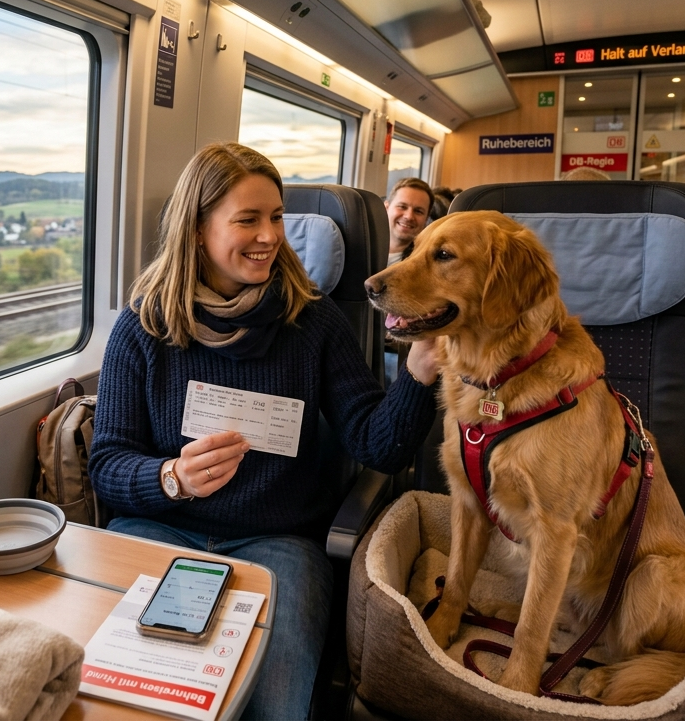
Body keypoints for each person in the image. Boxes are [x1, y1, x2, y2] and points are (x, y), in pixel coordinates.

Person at [89, 142, 439, 719]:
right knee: (138, 698)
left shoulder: (312, 321)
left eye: (275, 217)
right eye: (247, 219)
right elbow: (107, 466)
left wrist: (418, 377)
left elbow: (380, 445)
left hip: (279, 543)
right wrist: (172, 477)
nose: (270, 236)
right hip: (161, 529)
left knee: (273, 708)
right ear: (197, 230)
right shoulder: (144, 327)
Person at [384, 177, 435, 265]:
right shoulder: (360, 247)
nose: (409, 216)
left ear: (426, 218)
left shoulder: (427, 263)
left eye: (418, 211)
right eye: (402, 207)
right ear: (386, 208)